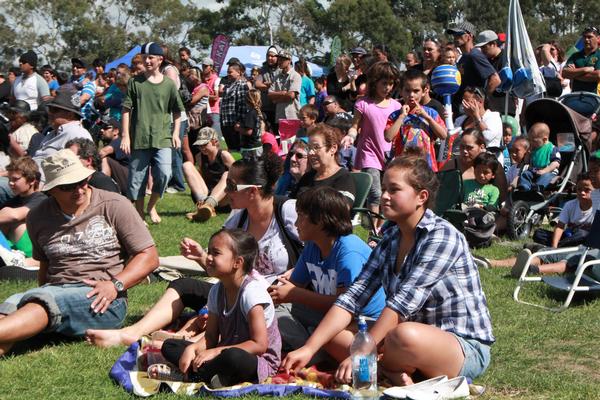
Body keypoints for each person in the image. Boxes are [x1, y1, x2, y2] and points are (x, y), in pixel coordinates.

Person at [282, 153, 494, 385]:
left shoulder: (442, 237)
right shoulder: (390, 238)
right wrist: (309, 348)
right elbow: (352, 297)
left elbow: (401, 304)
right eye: (383, 189)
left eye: (394, 190)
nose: (383, 196)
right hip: (401, 337)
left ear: (421, 197)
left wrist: (363, 353)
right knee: (331, 336)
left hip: (461, 345)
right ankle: (392, 371)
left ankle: (381, 367)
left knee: (402, 336)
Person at [85, 151, 300, 348]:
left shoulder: (288, 212)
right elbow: (224, 269)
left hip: (273, 299)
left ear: (252, 191)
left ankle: (185, 343)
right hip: (234, 293)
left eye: (232, 186)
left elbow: (320, 251)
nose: (225, 191)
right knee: (183, 285)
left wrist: (298, 273)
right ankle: (132, 333)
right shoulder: (238, 218)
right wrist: (201, 257)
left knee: (241, 310)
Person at [0, 149, 158, 356]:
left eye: (82, 182)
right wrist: (44, 290)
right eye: (68, 186)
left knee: (40, 301)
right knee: (12, 303)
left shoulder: (114, 204)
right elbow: (45, 265)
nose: (79, 190)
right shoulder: (38, 216)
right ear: (52, 189)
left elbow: (149, 256)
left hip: (103, 299)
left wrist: (115, 284)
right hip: (55, 290)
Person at [269, 187, 385, 358]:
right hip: (329, 315)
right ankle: (312, 347)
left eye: (301, 216)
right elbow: (294, 285)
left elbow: (345, 307)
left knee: (332, 338)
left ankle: (312, 350)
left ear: (321, 221)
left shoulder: (348, 252)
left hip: (363, 323)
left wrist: (295, 294)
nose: (295, 223)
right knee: (273, 313)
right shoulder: (313, 245)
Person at [156, 229, 280, 386]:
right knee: (170, 346)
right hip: (222, 352)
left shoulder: (252, 293)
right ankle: (214, 377)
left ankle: (191, 375)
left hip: (256, 360)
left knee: (233, 357)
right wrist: (193, 348)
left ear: (237, 262)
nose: (208, 258)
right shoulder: (216, 291)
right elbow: (211, 337)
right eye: (209, 252)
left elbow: (259, 345)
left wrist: (215, 352)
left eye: (216, 253)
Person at [120, 42, 184, 224]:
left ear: (160, 60)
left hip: (162, 137)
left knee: (164, 174)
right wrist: (125, 135)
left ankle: (152, 205)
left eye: (151, 57)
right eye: (144, 58)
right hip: (139, 138)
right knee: (136, 180)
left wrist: (176, 133)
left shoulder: (169, 84)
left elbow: (177, 111)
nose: (147, 61)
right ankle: (139, 213)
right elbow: (126, 110)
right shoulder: (134, 82)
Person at [345, 61, 402, 225]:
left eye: (391, 84)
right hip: (369, 153)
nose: (388, 88)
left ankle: (382, 227)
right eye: (384, 83)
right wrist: (350, 136)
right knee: (375, 192)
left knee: (388, 192)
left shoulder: (396, 106)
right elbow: (355, 126)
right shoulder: (363, 104)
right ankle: (372, 230)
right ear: (375, 82)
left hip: (389, 155)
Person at [385, 69, 447, 171]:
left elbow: (443, 135)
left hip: (427, 166)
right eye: (407, 90)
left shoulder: (431, 113)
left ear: (424, 91)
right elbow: (388, 137)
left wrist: (427, 117)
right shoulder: (395, 115)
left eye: (416, 91)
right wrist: (401, 117)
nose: (411, 95)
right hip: (403, 167)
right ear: (401, 91)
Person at [292, 124, 356, 206]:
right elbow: (291, 203)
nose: (311, 153)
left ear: (333, 148)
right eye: (309, 148)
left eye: (316, 147)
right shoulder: (307, 178)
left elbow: (342, 209)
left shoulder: (343, 178)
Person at [441, 129, 508, 203]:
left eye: (469, 148)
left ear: (482, 147)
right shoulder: (451, 166)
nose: (464, 151)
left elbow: (503, 198)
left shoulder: (493, 166)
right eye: (462, 147)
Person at [446, 21, 500, 110]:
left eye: (459, 34)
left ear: (469, 36)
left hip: (473, 109)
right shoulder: (463, 58)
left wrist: (482, 102)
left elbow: (495, 79)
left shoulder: (474, 55)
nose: (455, 37)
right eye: (454, 35)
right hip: (463, 107)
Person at [532, 172, 595, 247]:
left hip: (587, 241)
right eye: (579, 189)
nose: (582, 193)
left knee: (582, 234)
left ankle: (558, 248)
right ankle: (559, 248)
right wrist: (554, 246)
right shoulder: (570, 205)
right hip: (569, 238)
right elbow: (560, 227)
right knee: (538, 234)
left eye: (587, 190)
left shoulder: (597, 206)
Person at [184, 127, 235, 222]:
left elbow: (240, 176)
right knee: (187, 165)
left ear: (214, 142)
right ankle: (204, 207)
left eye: (204, 144)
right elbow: (202, 178)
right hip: (205, 195)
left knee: (228, 174)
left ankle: (208, 206)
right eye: (200, 145)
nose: (202, 148)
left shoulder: (224, 155)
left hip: (225, 198)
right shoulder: (199, 157)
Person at [0, 157, 46, 260]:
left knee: (16, 224)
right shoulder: (13, 201)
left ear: (31, 180)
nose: (10, 183)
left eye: (15, 179)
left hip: (35, 251)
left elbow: (15, 216)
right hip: (13, 246)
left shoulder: (41, 199)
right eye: (9, 179)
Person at [454, 86, 503, 162]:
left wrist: (476, 116)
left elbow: (487, 137)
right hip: (463, 163)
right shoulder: (460, 120)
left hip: (486, 164)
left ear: (480, 102)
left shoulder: (493, 117)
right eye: (462, 101)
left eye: (467, 101)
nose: (463, 105)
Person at [475, 30, 518, 115]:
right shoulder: (486, 61)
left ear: (493, 44)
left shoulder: (507, 60)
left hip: (504, 109)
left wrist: (485, 96)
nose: (482, 50)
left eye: (484, 47)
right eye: (481, 48)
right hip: (489, 109)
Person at [517, 122, 561, 191]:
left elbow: (556, 163)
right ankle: (524, 186)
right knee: (525, 174)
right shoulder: (533, 148)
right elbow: (526, 162)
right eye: (529, 140)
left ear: (544, 140)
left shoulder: (552, 148)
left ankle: (538, 188)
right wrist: (528, 154)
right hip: (534, 171)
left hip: (548, 171)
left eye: (533, 141)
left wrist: (545, 170)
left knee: (546, 177)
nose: (531, 143)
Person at [268, 49, 302, 133]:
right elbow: (269, 94)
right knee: (284, 144)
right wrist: (282, 93)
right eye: (279, 59)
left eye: (282, 59)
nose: (279, 61)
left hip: (292, 115)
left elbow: (291, 96)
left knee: (293, 143)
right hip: (280, 116)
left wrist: (277, 100)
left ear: (289, 60)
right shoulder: (277, 77)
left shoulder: (295, 76)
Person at [220, 62, 249, 151]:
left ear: (238, 72)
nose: (228, 74)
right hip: (225, 123)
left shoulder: (242, 85)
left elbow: (243, 105)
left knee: (237, 149)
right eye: (228, 72)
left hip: (235, 124)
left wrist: (239, 121)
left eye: (230, 72)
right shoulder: (227, 86)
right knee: (230, 149)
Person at [562, 27, 600, 94]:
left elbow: (597, 75)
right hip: (576, 96)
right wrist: (585, 69)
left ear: (598, 38)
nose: (586, 39)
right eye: (584, 37)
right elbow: (565, 73)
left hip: (595, 98)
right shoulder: (575, 55)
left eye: (589, 37)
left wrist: (574, 74)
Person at [98, 116, 130, 195]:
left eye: (106, 127)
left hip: (128, 182)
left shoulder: (119, 142)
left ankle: (104, 190)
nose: (102, 130)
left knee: (104, 159)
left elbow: (102, 152)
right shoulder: (111, 143)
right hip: (122, 180)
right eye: (101, 127)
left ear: (115, 131)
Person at [254, 46, 280, 133]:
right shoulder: (263, 69)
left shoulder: (281, 69)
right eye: (268, 56)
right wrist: (271, 86)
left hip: (278, 108)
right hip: (265, 108)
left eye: (272, 56)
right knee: (266, 133)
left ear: (278, 57)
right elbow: (257, 84)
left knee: (278, 133)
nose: (270, 58)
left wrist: (268, 85)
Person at [241, 89, 266, 158]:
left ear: (247, 100)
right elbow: (262, 131)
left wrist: (239, 128)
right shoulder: (259, 113)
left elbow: (249, 132)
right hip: (258, 145)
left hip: (250, 148)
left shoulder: (250, 114)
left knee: (249, 167)